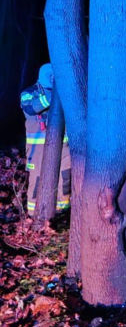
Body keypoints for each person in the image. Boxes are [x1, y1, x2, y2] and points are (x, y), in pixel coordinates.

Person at [20, 63, 71, 215]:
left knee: (65, 176)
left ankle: (61, 213)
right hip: (37, 149)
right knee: (36, 180)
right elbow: (32, 107)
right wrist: (55, 93)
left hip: (64, 146)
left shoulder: (64, 94)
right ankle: (33, 215)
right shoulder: (29, 93)